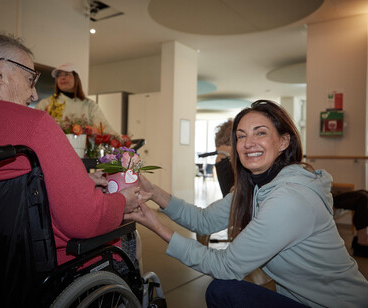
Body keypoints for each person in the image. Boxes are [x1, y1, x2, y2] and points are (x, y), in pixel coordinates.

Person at [0, 29, 140, 267]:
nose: (34, 93)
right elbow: (86, 219)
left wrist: (85, 181)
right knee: (131, 237)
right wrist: (121, 202)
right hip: (37, 271)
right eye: (29, 79)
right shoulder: (34, 124)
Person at [126, 100, 368, 307]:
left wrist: (156, 225)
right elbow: (204, 220)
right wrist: (153, 192)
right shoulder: (255, 186)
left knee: (222, 291)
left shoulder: (289, 199)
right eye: (241, 136)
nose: (248, 142)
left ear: (284, 142)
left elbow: (226, 265)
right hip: (302, 299)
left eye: (260, 132)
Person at [35, 62, 118, 136]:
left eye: (67, 74)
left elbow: (105, 128)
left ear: (76, 78)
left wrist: (121, 139)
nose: (62, 78)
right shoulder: (45, 104)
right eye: (59, 75)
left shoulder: (89, 105)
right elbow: (34, 126)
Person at [333, 190, 368, 257]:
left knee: (365, 193)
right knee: (363, 198)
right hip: (328, 197)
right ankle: (361, 240)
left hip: (331, 193)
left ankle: (361, 238)